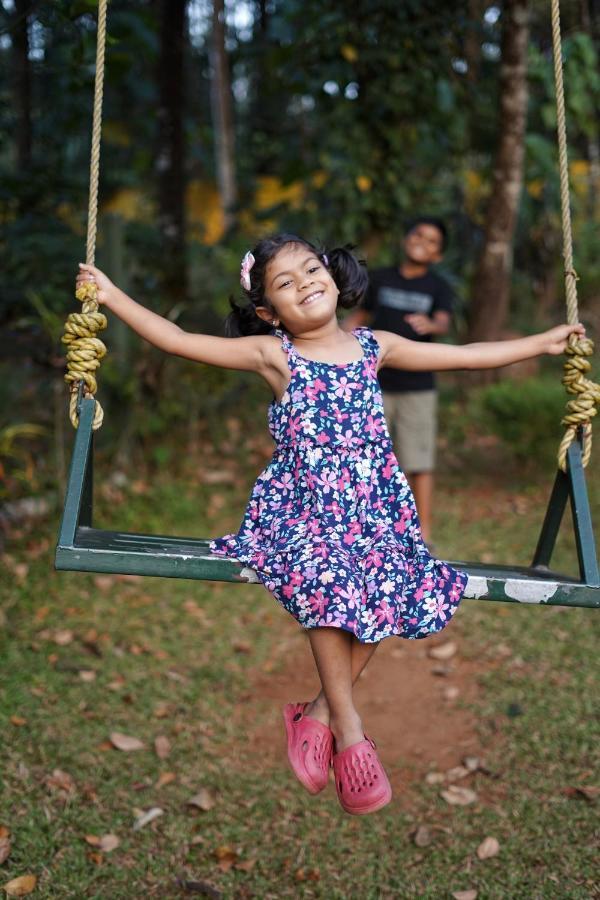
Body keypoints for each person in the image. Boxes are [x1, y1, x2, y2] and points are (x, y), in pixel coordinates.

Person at [77, 234, 583, 816]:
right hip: (300, 509)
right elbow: (179, 340)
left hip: (374, 510)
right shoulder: (275, 355)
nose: (305, 284)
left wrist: (544, 342)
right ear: (269, 314)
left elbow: (467, 355)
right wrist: (110, 296)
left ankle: (316, 714)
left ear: (336, 279)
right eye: (284, 284)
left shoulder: (376, 346)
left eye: (311, 270)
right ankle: (350, 730)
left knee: (400, 580)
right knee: (328, 577)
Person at [344, 217, 454, 544]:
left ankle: (424, 532)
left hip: (417, 386)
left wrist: (430, 324)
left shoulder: (438, 286)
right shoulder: (379, 278)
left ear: (438, 255)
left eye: (432, 240)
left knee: (418, 460)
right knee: (365, 458)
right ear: (406, 239)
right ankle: (363, 527)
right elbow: (359, 318)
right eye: (418, 234)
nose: (423, 241)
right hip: (372, 384)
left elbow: (444, 322)